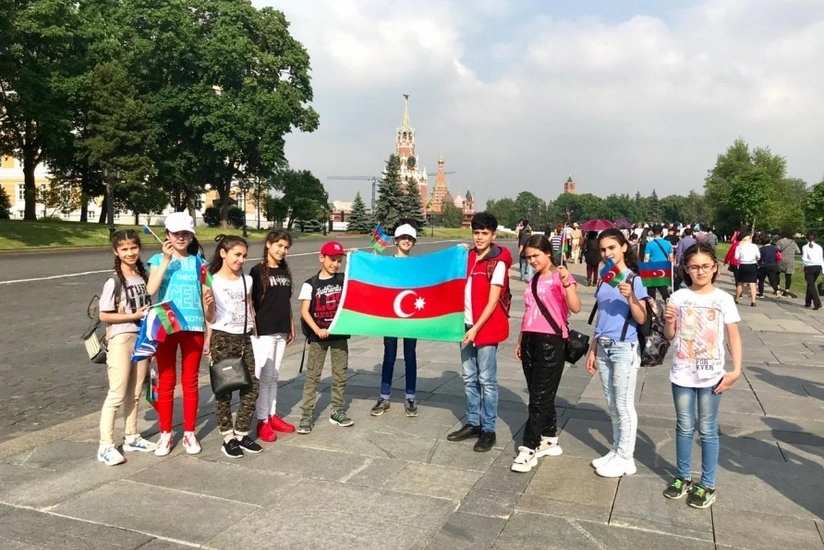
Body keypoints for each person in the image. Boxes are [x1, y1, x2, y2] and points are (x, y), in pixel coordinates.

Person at [662, 242, 743, 509]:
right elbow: (669, 336)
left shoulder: (723, 299)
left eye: (705, 266)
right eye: (694, 267)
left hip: (711, 376)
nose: (700, 271)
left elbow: (733, 336)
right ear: (686, 268)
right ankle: (683, 477)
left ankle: (708, 483)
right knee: (684, 427)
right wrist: (668, 320)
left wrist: (736, 370)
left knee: (707, 429)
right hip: (683, 373)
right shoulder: (678, 297)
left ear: (715, 268)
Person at [146, 212, 215, 457]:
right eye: (176, 233)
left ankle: (189, 432)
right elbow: (150, 289)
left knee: (190, 382)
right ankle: (165, 433)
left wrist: (208, 304)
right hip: (166, 325)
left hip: (193, 326)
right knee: (166, 380)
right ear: (167, 235)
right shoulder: (156, 259)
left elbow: (209, 307)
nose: (181, 238)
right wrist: (165, 259)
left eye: (185, 233)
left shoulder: (200, 263)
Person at [512, 234, 581, 472]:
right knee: (538, 392)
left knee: (539, 396)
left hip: (551, 340)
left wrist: (565, 283)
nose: (532, 261)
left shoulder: (559, 276)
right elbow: (528, 311)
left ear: (548, 253)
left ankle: (528, 447)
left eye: (536, 256)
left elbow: (575, 307)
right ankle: (549, 437)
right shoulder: (533, 280)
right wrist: (521, 339)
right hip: (531, 338)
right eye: (528, 257)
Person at [447, 212, 512, 453]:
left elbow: (493, 301)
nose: (480, 237)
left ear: (493, 235)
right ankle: (473, 422)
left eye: (485, 233)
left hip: (484, 327)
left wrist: (475, 329)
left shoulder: (498, 261)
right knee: (469, 377)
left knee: (486, 379)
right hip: (464, 325)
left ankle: (488, 429)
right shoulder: (468, 257)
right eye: (476, 233)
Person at [585, 228, 647, 478]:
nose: (607, 253)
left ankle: (626, 457)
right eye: (602, 249)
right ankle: (616, 449)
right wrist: (593, 347)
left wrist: (631, 296)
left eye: (611, 247)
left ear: (623, 247)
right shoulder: (605, 277)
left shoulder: (633, 279)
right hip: (604, 346)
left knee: (623, 405)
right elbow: (601, 315)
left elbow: (642, 317)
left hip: (624, 347)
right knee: (612, 404)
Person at [97, 230, 155, 465]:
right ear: (116, 251)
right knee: (117, 394)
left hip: (142, 339)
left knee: (135, 392)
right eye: (124, 249)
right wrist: (134, 315)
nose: (130, 253)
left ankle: (132, 436)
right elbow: (103, 314)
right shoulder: (114, 280)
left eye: (133, 248)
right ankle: (105, 445)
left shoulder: (143, 276)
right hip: (121, 339)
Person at [205, 235, 262, 458]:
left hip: (244, 337)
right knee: (225, 389)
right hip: (223, 337)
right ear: (223, 253)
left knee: (251, 386)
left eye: (244, 255)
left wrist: (254, 333)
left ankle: (241, 432)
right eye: (237, 254)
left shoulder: (247, 280)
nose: (241, 259)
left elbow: (250, 307)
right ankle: (227, 437)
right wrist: (209, 306)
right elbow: (209, 318)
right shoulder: (212, 280)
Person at [296, 241, 353, 434]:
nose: (335, 264)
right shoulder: (310, 284)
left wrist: (356, 257)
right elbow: (304, 311)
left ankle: (337, 410)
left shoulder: (343, 279)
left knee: (340, 375)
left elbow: (363, 278)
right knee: (313, 376)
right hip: (318, 337)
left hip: (339, 335)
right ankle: (306, 415)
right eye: (331, 259)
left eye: (339, 261)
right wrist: (317, 329)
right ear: (322, 258)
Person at [250, 229, 296, 443]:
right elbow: (251, 303)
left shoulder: (285, 272)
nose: (282, 250)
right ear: (268, 244)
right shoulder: (257, 271)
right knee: (264, 377)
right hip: (264, 331)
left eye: (286, 247)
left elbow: (285, 301)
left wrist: (291, 324)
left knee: (275, 375)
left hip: (281, 329)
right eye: (279, 245)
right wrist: (253, 328)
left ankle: (272, 414)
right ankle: (262, 420)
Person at [371, 224, 420, 417]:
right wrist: (364, 260)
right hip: (390, 317)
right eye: (403, 237)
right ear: (396, 241)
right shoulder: (386, 263)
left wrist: (459, 252)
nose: (407, 240)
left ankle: (410, 397)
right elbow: (375, 278)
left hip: (411, 318)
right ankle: (384, 396)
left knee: (410, 357)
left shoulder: (417, 265)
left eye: (410, 238)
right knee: (389, 357)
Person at [644, 224, 675, 301]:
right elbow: (671, 258)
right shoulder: (667, 243)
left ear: (652, 232)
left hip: (652, 268)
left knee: (651, 291)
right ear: (661, 232)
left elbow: (646, 258)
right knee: (663, 288)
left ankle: (652, 308)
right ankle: (667, 300)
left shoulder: (649, 244)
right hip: (663, 268)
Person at [734, 233, 760, 306]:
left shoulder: (739, 247)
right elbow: (758, 256)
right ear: (749, 239)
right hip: (752, 265)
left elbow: (736, 257)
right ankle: (753, 301)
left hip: (743, 265)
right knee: (752, 284)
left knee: (740, 283)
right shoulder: (754, 246)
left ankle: (737, 299)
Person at [802, 231, 823, 310]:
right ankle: (807, 302)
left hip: (809, 267)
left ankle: (817, 303)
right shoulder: (819, 247)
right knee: (811, 283)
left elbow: (804, 258)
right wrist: (823, 270)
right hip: (818, 267)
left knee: (811, 285)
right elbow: (821, 259)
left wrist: (803, 265)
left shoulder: (805, 247)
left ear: (806, 238)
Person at [776, 230, 801, 295]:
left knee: (777, 273)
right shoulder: (793, 242)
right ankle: (787, 290)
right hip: (790, 261)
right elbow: (798, 251)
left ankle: (777, 287)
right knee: (788, 276)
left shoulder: (780, 241)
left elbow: (777, 249)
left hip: (781, 260)